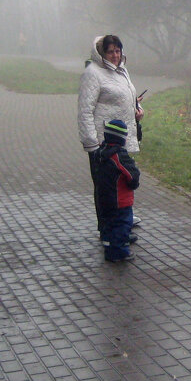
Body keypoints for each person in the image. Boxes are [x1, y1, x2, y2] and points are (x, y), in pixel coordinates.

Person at [78, 34, 144, 234]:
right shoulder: (93, 73)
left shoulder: (122, 71)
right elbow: (85, 110)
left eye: (118, 50)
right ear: (101, 53)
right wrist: (93, 145)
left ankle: (123, 221)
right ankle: (107, 228)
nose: (115, 55)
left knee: (122, 183)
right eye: (110, 51)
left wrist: (137, 109)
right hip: (103, 143)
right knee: (105, 187)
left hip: (121, 140)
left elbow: (126, 98)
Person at [94, 119, 140, 262]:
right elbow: (132, 176)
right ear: (122, 139)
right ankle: (119, 252)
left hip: (104, 199)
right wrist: (134, 182)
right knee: (122, 225)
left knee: (108, 225)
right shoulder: (120, 156)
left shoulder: (99, 153)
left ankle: (109, 246)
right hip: (120, 200)